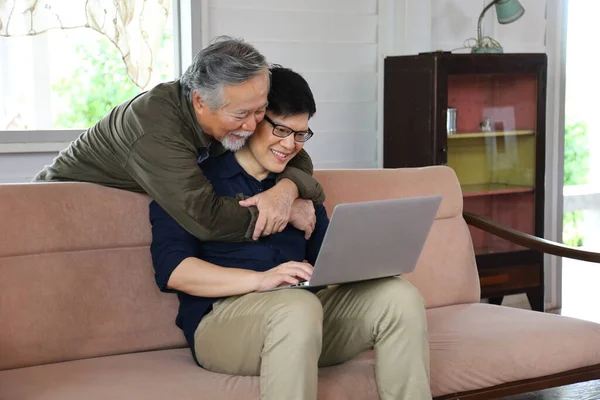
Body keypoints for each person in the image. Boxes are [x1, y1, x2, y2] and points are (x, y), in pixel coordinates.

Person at [150, 65, 432, 400]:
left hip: (304, 317)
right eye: (282, 130)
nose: (290, 145)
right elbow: (174, 271)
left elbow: (325, 262)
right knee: (297, 308)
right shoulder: (191, 183)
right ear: (253, 118)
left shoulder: (297, 187)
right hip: (223, 322)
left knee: (399, 297)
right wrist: (260, 280)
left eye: (301, 134)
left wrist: (368, 260)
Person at [34, 37, 323, 242]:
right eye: (242, 114)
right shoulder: (155, 130)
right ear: (199, 101)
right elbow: (205, 218)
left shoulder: (230, 111)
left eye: (260, 111)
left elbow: (296, 153)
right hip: (61, 210)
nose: (252, 125)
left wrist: (285, 192)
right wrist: (282, 213)